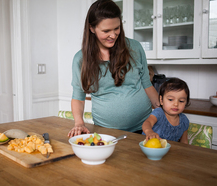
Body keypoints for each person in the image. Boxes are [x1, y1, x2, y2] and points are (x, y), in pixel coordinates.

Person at [68, 0, 159, 138]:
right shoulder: (80, 60)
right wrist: (79, 123)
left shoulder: (135, 48)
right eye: (106, 31)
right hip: (107, 132)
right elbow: (78, 98)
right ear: (92, 28)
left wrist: (164, 112)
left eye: (117, 28)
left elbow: (147, 84)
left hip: (145, 128)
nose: (113, 35)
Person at [142, 78, 190, 144]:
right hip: (149, 148)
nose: (176, 104)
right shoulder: (159, 113)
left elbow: (184, 142)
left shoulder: (184, 120)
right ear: (161, 100)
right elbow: (147, 123)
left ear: (186, 102)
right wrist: (149, 131)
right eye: (170, 99)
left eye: (181, 101)